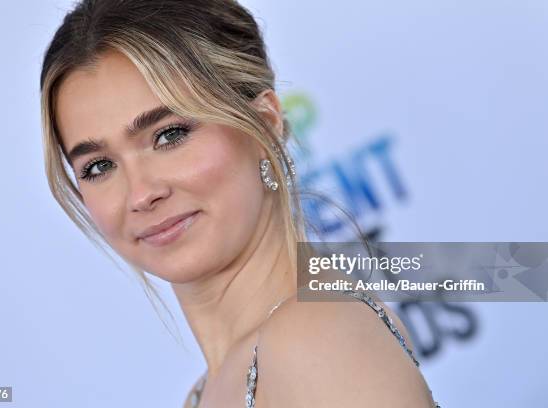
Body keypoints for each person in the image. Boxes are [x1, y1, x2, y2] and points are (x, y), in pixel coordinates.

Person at [39, 0, 441, 406]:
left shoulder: (314, 339)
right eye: (99, 166)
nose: (141, 194)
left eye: (170, 135)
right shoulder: (206, 390)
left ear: (264, 125)